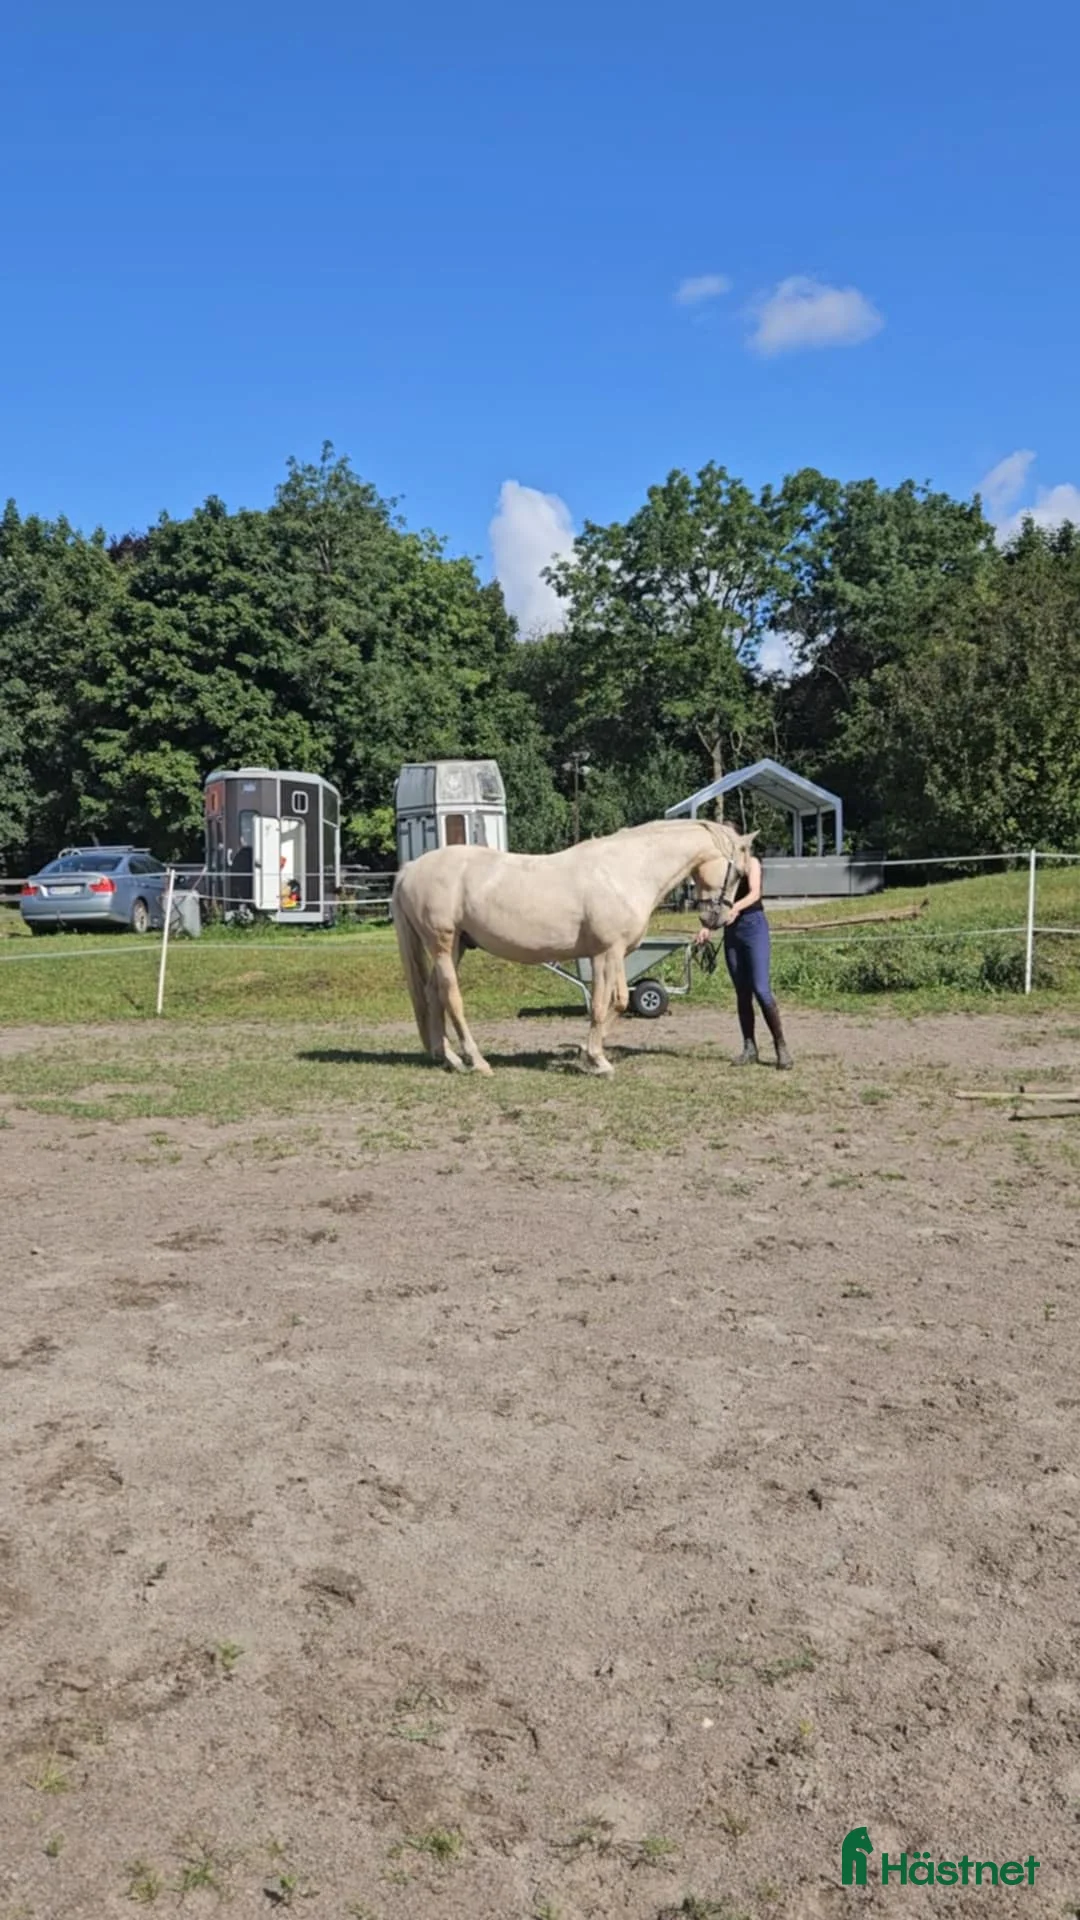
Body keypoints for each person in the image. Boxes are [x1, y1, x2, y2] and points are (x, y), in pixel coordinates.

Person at [696, 852, 792, 1069]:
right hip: (732, 932)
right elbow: (716, 901)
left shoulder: (752, 863)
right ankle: (749, 1047)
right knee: (742, 992)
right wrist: (708, 926)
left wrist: (734, 909)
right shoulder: (722, 869)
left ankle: (781, 1046)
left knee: (761, 989)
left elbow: (754, 893)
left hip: (753, 926)